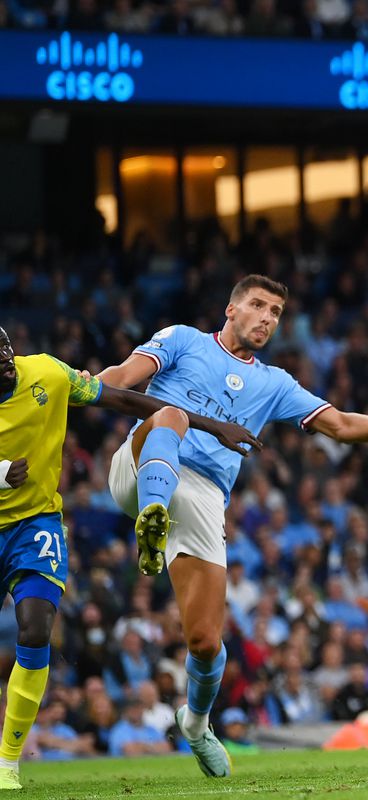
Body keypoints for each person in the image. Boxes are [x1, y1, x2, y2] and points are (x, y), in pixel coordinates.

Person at [95, 275, 368, 778]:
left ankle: (194, 721)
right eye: (257, 305)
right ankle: (152, 515)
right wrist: (85, 383)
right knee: (170, 415)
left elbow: (340, 424)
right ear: (230, 310)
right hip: (144, 462)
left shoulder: (275, 383)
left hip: (206, 496)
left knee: (206, 642)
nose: (266, 318)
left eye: (275, 312)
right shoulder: (183, 339)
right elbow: (123, 373)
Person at [0, 326, 256, 790]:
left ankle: (7, 762)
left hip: (34, 524)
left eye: (4, 346)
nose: (3, 357)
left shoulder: (46, 374)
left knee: (36, 627)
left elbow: (123, 399)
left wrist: (207, 423)